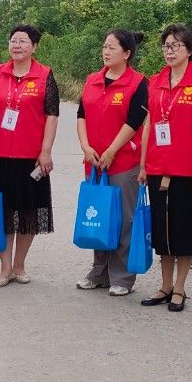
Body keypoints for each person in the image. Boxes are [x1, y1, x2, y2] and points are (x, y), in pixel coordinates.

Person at [138, 25, 192, 311]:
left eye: (175, 46)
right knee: (162, 229)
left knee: (184, 229)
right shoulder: (155, 81)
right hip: (157, 165)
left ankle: (180, 288)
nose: (169, 51)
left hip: (187, 168)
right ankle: (165, 286)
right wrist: (143, 164)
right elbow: (149, 124)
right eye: (166, 46)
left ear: (189, 50)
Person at [0, 24, 60, 286]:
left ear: (34, 47)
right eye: (13, 40)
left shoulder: (44, 75)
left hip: (31, 158)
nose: (17, 45)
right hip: (0, 156)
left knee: (28, 212)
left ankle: (19, 265)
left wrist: (46, 151)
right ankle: (5, 268)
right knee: (3, 212)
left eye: (23, 41)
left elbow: (52, 115)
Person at [76, 29, 148, 296]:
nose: (106, 52)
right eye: (104, 47)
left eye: (112, 48)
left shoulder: (138, 83)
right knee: (97, 215)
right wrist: (86, 147)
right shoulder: (92, 80)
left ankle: (122, 277)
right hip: (94, 162)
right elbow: (81, 115)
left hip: (123, 162)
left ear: (126, 53)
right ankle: (99, 272)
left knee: (123, 219)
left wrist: (111, 151)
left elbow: (134, 121)